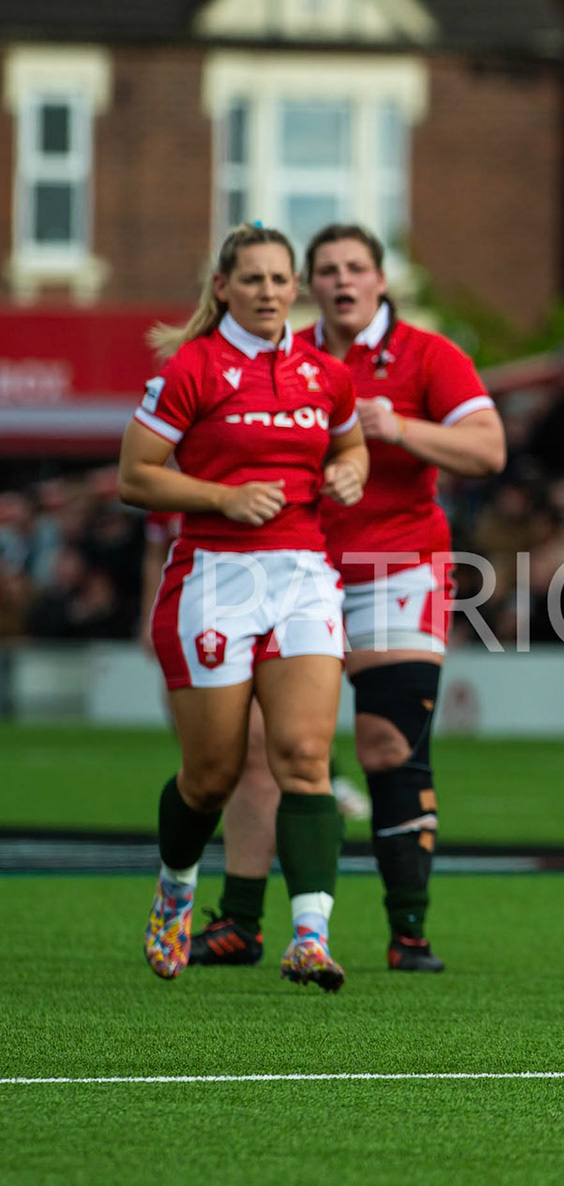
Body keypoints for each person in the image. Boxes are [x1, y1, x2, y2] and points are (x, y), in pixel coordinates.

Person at [187, 223, 506, 973]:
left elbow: (489, 449)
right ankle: (239, 923)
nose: (341, 281)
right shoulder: (282, 356)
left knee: (385, 744)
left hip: (398, 564)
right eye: (326, 269)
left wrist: (400, 427)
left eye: (355, 268)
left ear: (381, 279)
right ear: (308, 285)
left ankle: (409, 932)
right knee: (265, 753)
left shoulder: (430, 355)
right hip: (292, 568)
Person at [118, 222, 366, 989]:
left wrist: (350, 472)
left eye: (279, 279)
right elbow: (135, 475)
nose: (268, 292)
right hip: (213, 578)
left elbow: (349, 446)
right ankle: (176, 887)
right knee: (212, 775)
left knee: (304, 757)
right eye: (251, 279)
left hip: (302, 575)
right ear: (222, 287)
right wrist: (224, 496)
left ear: (297, 288)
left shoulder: (326, 375)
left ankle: (311, 937)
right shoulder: (192, 369)